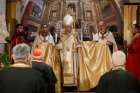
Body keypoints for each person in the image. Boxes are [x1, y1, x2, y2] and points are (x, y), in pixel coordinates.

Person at [56, 14, 80, 86]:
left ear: (71, 27)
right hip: (65, 55)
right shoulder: (62, 35)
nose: (67, 29)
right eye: (66, 27)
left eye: (69, 27)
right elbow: (59, 44)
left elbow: (78, 43)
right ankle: (66, 84)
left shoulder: (75, 34)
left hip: (73, 55)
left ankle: (74, 83)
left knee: (74, 69)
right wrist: (61, 46)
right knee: (65, 68)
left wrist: (77, 46)